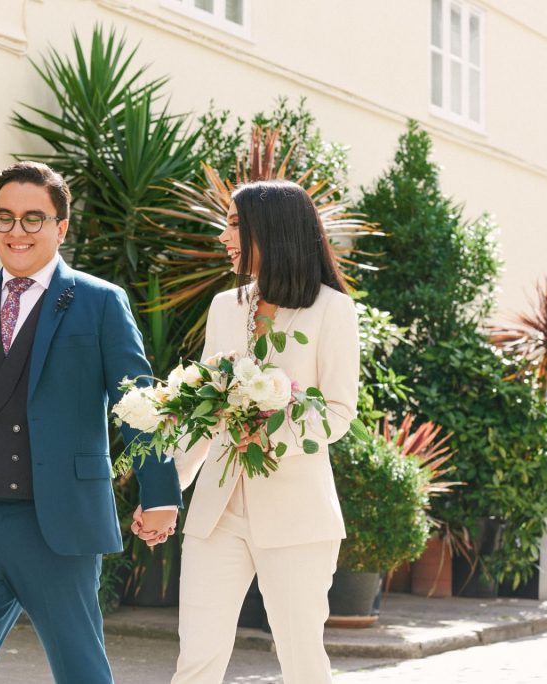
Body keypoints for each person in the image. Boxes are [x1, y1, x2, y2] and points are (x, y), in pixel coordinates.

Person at [0, 161, 181, 684]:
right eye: (4, 218)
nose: (17, 232)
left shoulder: (98, 302)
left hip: (59, 526)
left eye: (33, 218)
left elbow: (139, 403)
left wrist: (160, 494)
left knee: (81, 672)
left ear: (61, 227)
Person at [135, 179, 359, 684]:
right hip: (218, 513)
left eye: (234, 223)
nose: (223, 235)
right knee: (197, 659)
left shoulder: (332, 310)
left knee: (302, 661)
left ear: (272, 229)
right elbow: (207, 413)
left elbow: (340, 411)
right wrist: (165, 491)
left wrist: (272, 433)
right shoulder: (225, 307)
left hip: (298, 518)